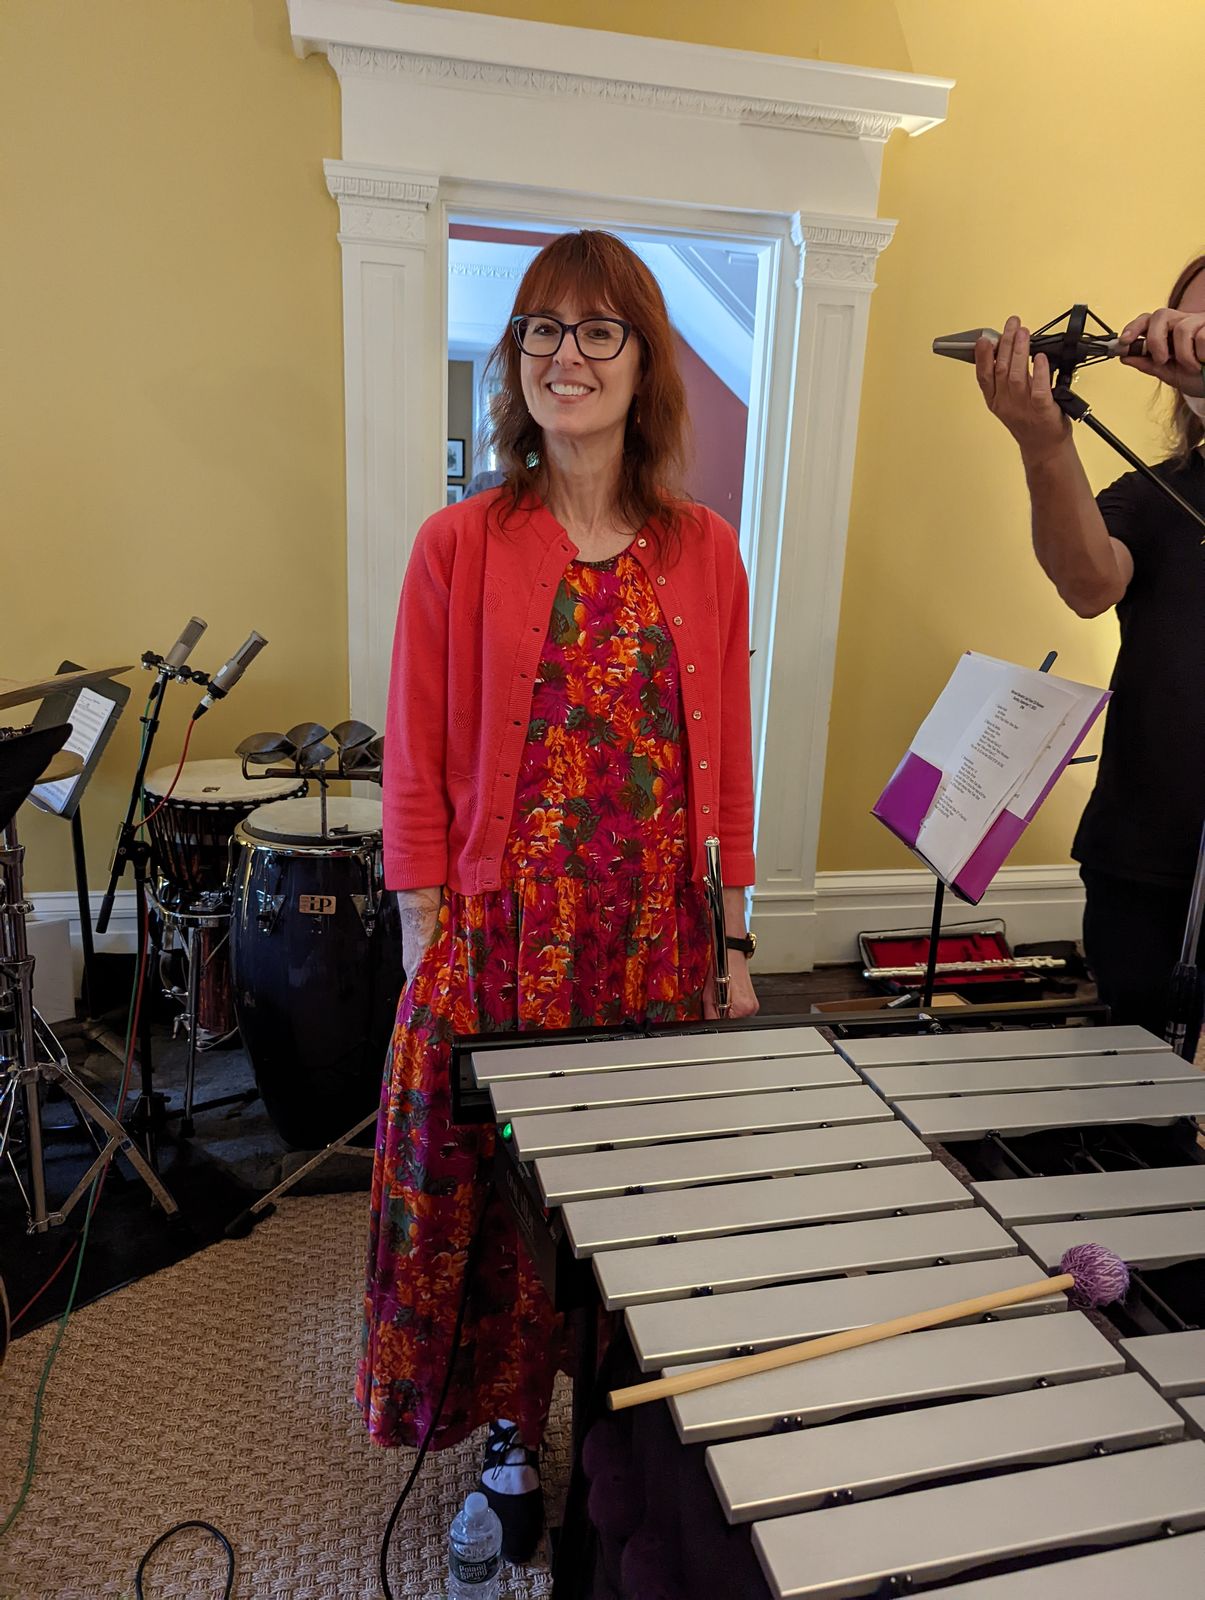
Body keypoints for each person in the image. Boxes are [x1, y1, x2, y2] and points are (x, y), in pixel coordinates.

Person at [357, 230, 759, 1561]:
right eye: (540, 328)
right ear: (514, 358)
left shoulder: (705, 551)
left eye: (597, 330)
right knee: (491, 1210)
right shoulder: (458, 544)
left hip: (652, 948)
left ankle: (619, 1430)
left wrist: (733, 937)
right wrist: (425, 933)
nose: (563, 355)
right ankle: (507, 1434)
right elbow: (415, 755)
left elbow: (727, 759)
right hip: (502, 940)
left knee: (632, 1203)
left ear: (643, 363)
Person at [973, 255, 1205, 1039]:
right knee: (1134, 1078)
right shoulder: (1150, 493)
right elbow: (1087, 583)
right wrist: (1043, 445)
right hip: (1142, 860)